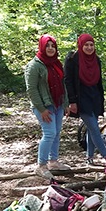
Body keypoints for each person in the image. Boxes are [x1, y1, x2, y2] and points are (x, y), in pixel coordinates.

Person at [26, 34, 71, 178]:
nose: (50, 48)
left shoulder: (56, 63)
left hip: (57, 103)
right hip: (44, 105)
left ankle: (53, 161)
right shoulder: (34, 65)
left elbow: (63, 84)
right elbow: (31, 89)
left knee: (57, 132)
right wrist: (41, 109)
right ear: (42, 47)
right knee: (49, 133)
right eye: (47, 46)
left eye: (53, 46)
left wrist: (65, 104)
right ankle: (41, 165)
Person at [64, 33, 106, 164]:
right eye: (86, 45)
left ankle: (89, 157)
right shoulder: (72, 59)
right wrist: (72, 100)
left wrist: (101, 99)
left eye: (91, 45)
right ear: (80, 45)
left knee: (91, 128)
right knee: (95, 128)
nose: (89, 48)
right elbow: (68, 81)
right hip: (80, 97)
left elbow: (98, 81)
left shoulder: (96, 59)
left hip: (94, 96)